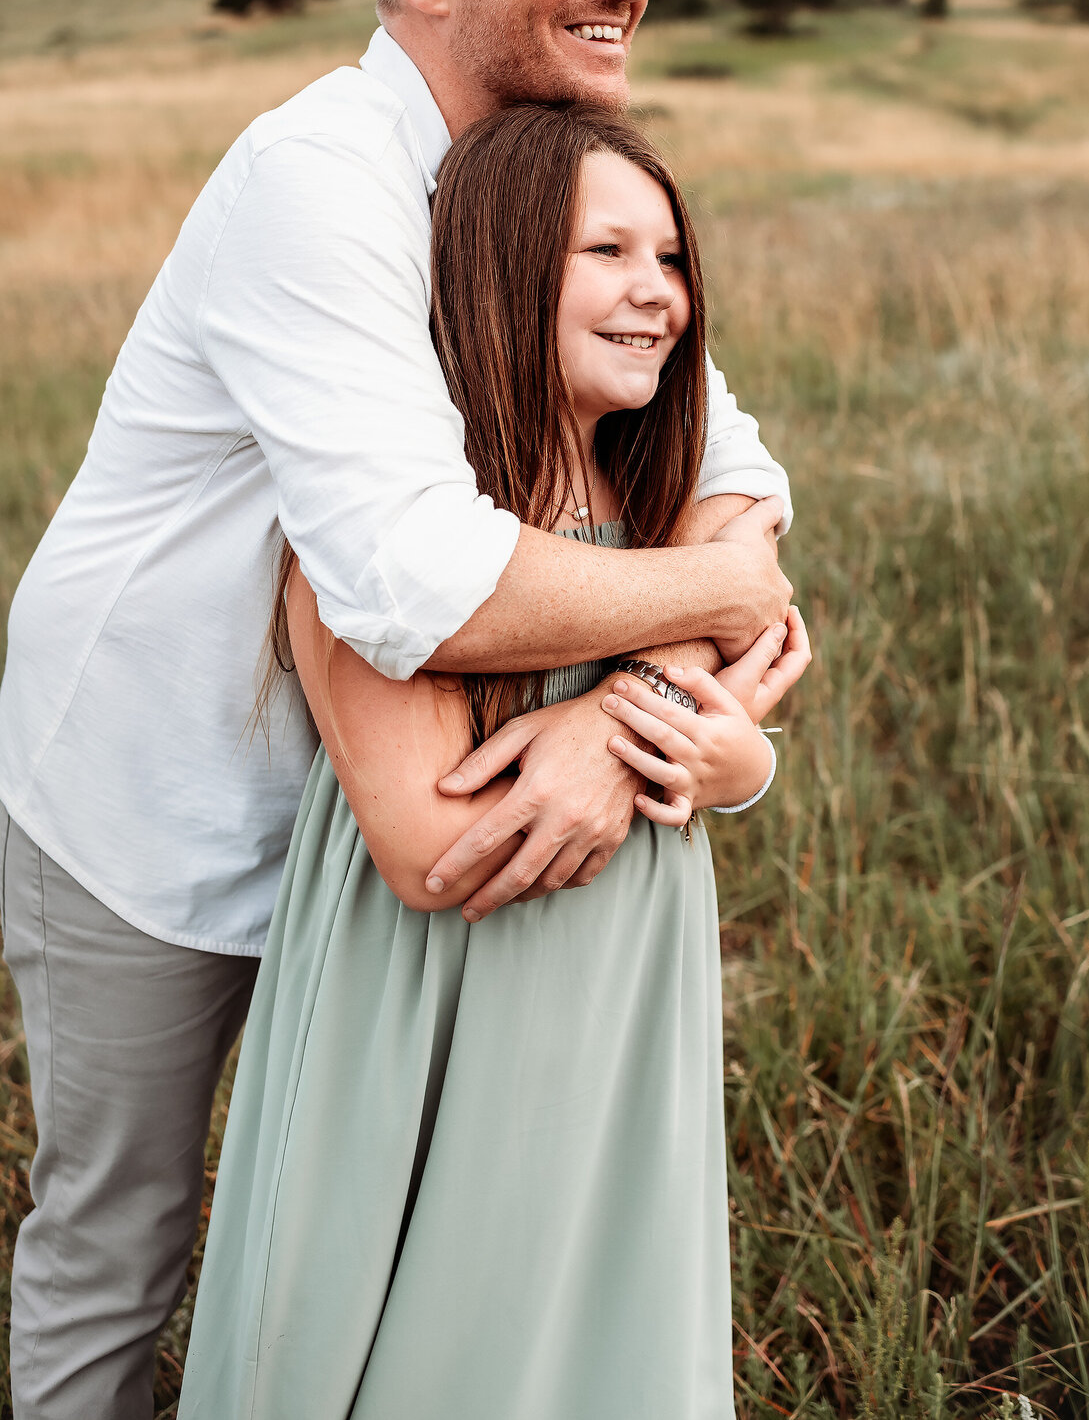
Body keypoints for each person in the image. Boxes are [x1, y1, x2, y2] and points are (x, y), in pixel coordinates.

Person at [0, 0, 793, 1420]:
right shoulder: (319, 184)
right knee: (121, 1241)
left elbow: (743, 493)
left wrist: (626, 714)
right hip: (164, 789)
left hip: (399, 818)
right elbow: (419, 587)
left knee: (358, 1233)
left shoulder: (544, 185)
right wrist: (706, 620)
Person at [178, 103, 810, 1420]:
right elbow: (439, 845)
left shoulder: (665, 515)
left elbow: (750, 688)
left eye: (674, 258)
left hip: (624, 995)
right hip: (434, 1003)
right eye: (610, 253)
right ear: (505, 266)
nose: (658, 294)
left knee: (602, 1324)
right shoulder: (388, 543)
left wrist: (739, 759)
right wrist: (683, 680)